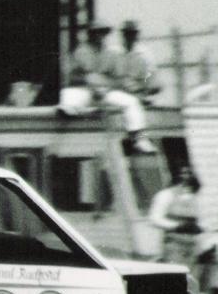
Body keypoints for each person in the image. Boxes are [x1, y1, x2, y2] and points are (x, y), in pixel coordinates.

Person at [65, 19, 154, 153]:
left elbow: (119, 78)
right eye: (96, 32)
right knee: (67, 99)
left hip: (105, 92)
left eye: (103, 32)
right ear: (90, 34)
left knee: (131, 102)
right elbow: (71, 77)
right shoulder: (80, 52)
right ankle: (82, 113)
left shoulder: (111, 53)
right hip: (84, 91)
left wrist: (105, 86)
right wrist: (90, 81)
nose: (99, 36)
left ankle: (139, 140)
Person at [148, 167, 204, 265]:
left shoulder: (194, 197)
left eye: (189, 173)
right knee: (176, 269)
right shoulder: (166, 195)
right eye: (183, 174)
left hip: (193, 244)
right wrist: (178, 226)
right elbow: (154, 219)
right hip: (175, 244)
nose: (186, 177)